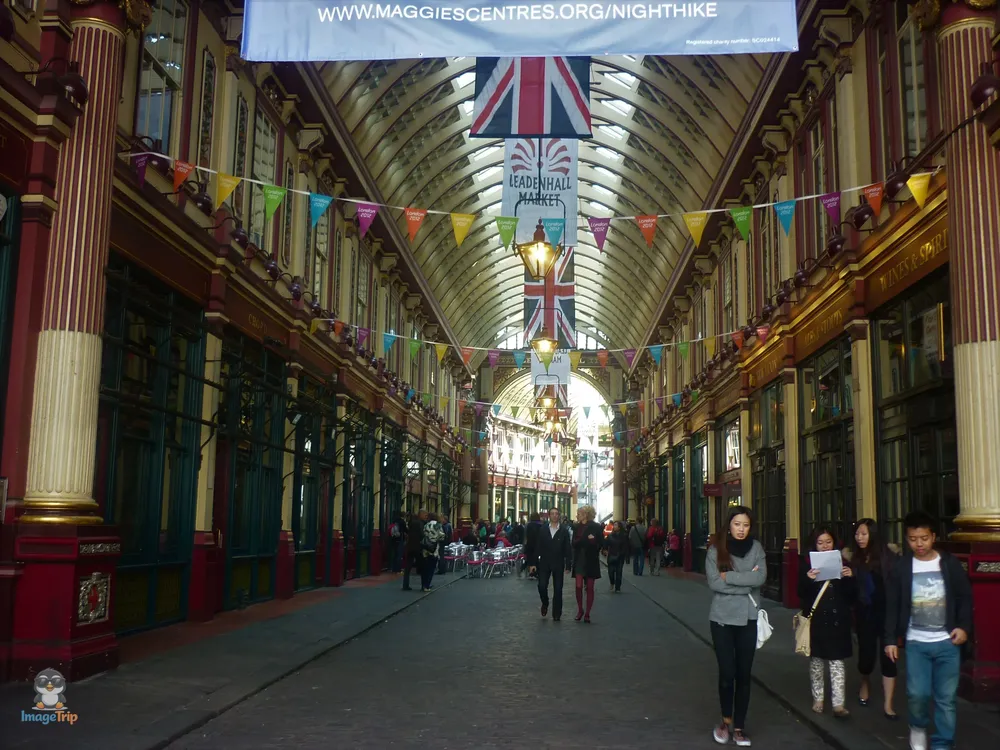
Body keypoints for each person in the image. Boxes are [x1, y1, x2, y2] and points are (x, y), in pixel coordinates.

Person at [884, 511, 972, 750]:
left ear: (933, 536)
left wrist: (963, 627)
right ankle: (918, 726)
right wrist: (890, 639)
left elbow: (965, 597)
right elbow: (892, 605)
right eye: (913, 539)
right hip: (916, 642)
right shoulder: (902, 568)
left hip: (947, 642)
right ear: (906, 538)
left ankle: (943, 743)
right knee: (917, 694)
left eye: (923, 538)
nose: (919, 544)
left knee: (946, 699)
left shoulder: (949, 563)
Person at [706, 505, 766, 748]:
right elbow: (713, 584)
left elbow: (760, 578)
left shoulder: (757, 548)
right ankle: (725, 722)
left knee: (744, 674)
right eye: (737, 524)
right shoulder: (715, 550)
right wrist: (746, 581)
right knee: (727, 673)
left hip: (748, 620)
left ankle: (739, 727)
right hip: (721, 619)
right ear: (729, 525)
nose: (741, 530)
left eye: (746, 525)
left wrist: (728, 576)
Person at [799, 525, 856, 718]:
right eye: (820, 542)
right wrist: (808, 579)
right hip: (817, 620)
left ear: (835, 543)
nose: (824, 546)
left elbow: (852, 597)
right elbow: (800, 593)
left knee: (837, 662)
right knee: (816, 662)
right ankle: (818, 699)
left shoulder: (844, 562)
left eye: (828, 542)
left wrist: (849, 578)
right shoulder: (806, 563)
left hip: (838, 620)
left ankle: (838, 704)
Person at [846, 518, 899, 719]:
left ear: (873, 535)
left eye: (864, 534)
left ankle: (888, 704)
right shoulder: (855, 559)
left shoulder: (889, 558)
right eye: (857, 534)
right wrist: (851, 576)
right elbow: (853, 593)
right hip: (865, 613)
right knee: (866, 656)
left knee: (889, 657)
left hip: (886, 613)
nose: (859, 538)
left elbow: (894, 587)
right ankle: (865, 681)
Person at [525, 507, 571, 620]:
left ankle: (556, 614)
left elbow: (567, 549)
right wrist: (533, 563)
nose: (555, 516)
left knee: (558, 589)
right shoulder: (543, 529)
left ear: (559, 516)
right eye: (552, 514)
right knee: (542, 586)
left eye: (557, 514)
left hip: (558, 563)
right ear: (549, 516)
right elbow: (537, 547)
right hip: (544, 562)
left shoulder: (564, 531)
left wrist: (568, 565)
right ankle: (545, 602)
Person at [571, 505, 604, 623]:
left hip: (591, 559)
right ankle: (580, 609)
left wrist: (593, 541)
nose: (577, 515)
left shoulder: (596, 527)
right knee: (578, 586)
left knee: (590, 587)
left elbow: (601, 542)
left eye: (579, 513)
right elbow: (573, 543)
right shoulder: (577, 527)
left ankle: (588, 613)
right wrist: (583, 540)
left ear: (585, 514)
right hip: (579, 559)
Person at [419, 512, 445, 592]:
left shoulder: (426, 525)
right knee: (431, 568)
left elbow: (423, 534)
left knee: (424, 568)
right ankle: (427, 585)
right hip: (433, 549)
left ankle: (423, 585)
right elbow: (442, 536)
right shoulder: (438, 525)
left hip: (425, 549)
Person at [402, 509, 427, 591]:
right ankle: (424, 585)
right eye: (425, 515)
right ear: (420, 515)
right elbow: (422, 535)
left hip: (410, 547)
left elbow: (408, 533)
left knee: (408, 567)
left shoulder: (412, 523)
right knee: (423, 566)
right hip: (418, 547)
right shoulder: (420, 523)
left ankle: (405, 585)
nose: (426, 517)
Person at [603, 521, 629, 593]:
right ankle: (612, 582)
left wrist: (625, 556)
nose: (614, 526)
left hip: (620, 557)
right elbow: (605, 544)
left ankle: (618, 587)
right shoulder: (610, 536)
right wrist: (605, 550)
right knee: (611, 572)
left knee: (619, 572)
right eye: (614, 525)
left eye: (615, 525)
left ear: (619, 527)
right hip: (611, 556)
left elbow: (626, 547)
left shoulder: (624, 536)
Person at [523, 512, 542, 579]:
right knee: (537, 559)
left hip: (530, 545)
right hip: (539, 545)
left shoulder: (529, 525)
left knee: (531, 560)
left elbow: (526, 537)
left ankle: (532, 573)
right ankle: (538, 573)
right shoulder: (541, 525)